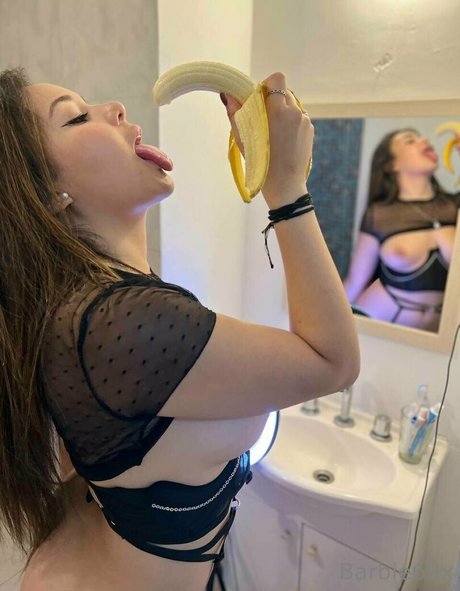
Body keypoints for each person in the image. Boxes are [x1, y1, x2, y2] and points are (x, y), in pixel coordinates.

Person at [0, 67, 359, 591]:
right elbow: (334, 362)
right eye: (76, 118)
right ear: (48, 192)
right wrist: (287, 187)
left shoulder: (93, 308)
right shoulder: (120, 323)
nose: (116, 108)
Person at [344, 128, 460, 332]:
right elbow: (355, 282)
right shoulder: (380, 215)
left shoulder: (454, 207)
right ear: (392, 165)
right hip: (380, 317)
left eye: (422, 136)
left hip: (438, 336)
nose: (424, 139)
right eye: (410, 140)